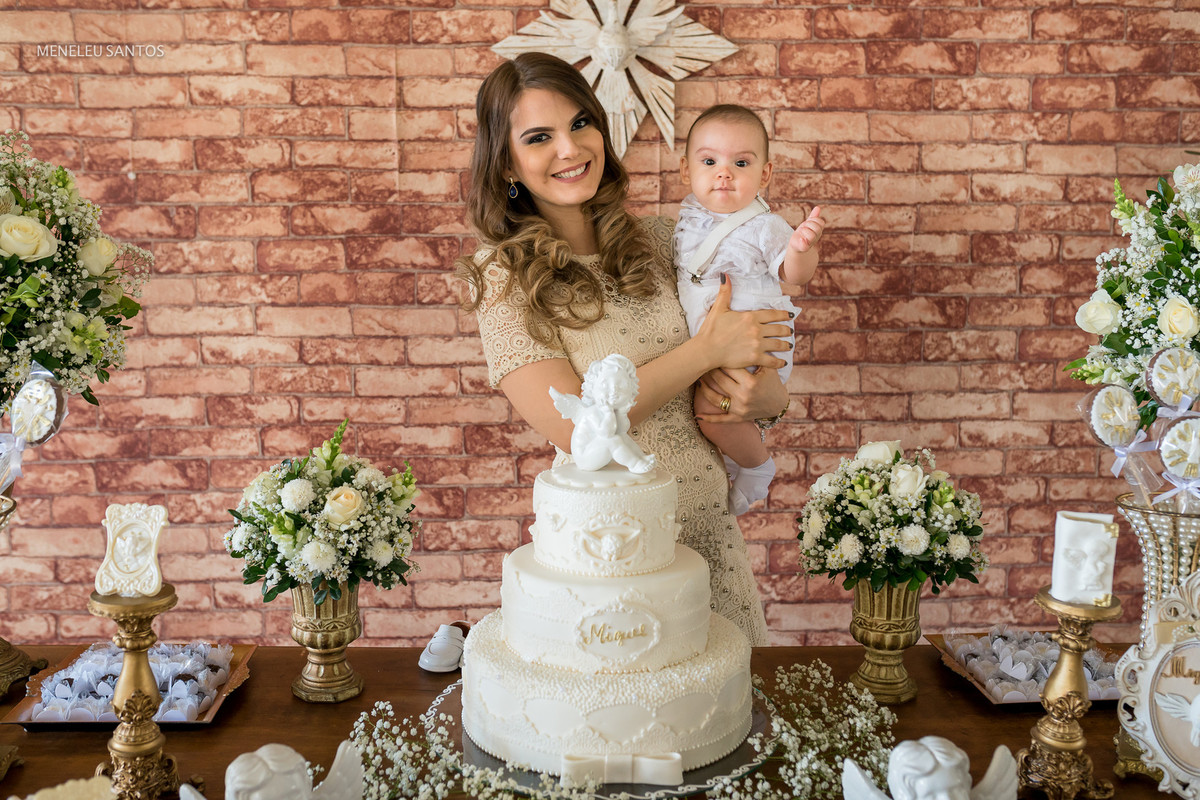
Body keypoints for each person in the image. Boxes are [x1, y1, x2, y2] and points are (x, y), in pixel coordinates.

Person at [456, 52, 793, 646]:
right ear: (507, 163)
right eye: (539, 137)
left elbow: (756, 369)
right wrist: (707, 349)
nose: (569, 148)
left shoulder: (665, 241)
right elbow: (572, 431)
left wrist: (764, 395)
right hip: (617, 554)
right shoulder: (504, 276)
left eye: (580, 123)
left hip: (709, 534)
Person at [675, 104, 825, 515]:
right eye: (709, 161)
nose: (724, 172)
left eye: (740, 162)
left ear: (765, 174)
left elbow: (793, 275)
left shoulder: (764, 224)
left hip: (757, 340)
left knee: (710, 411)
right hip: (716, 343)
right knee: (708, 411)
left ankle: (758, 468)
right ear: (686, 171)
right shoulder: (688, 219)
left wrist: (801, 248)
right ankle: (733, 462)